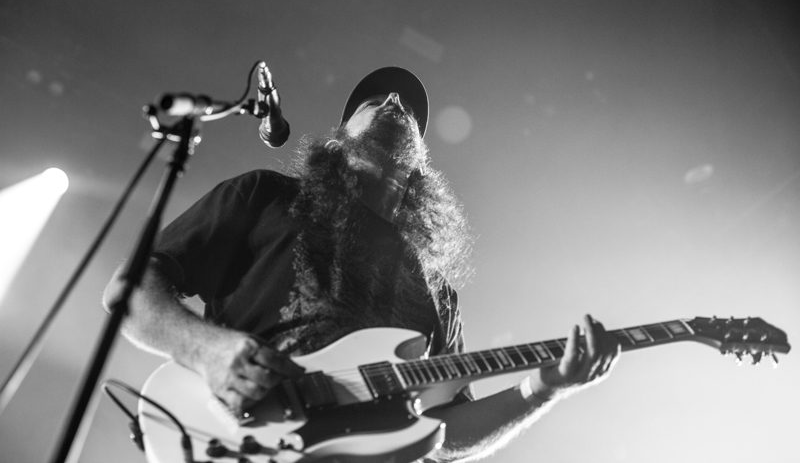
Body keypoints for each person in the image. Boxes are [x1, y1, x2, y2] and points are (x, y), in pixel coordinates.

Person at [104, 67, 620, 462]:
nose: (394, 102)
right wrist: (207, 351)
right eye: (375, 101)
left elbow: (446, 432)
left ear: (418, 168)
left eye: (408, 109)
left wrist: (546, 386)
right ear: (337, 140)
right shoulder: (265, 196)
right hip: (237, 439)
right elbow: (132, 289)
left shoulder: (438, 295)